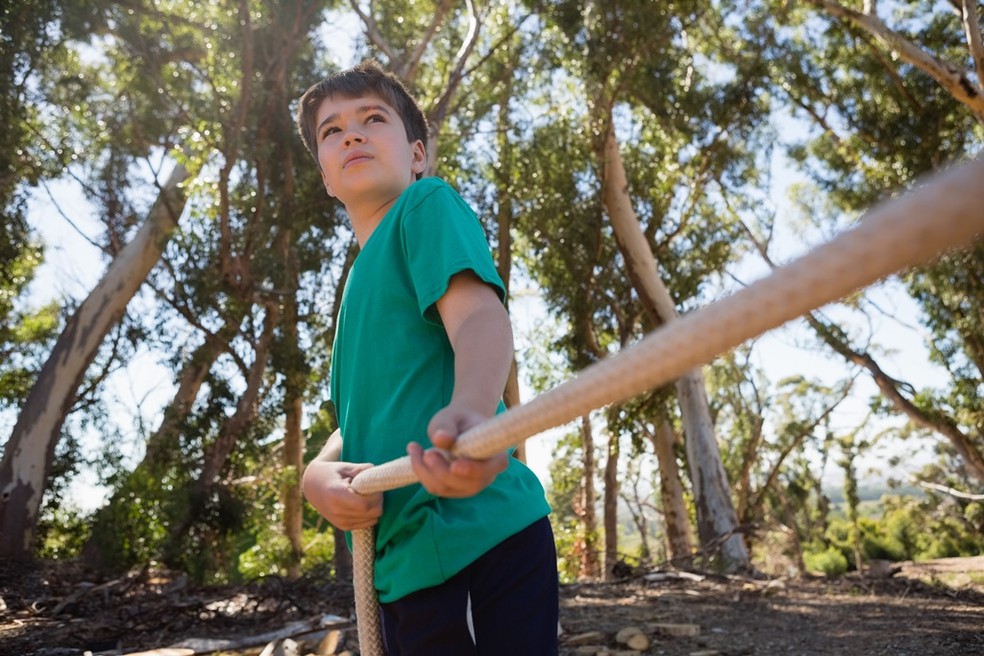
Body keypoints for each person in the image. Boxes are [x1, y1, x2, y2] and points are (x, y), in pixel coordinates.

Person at [296, 60, 558, 656]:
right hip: (402, 562)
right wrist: (315, 474)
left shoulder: (424, 207)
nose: (352, 134)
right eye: (331, 131)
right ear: (326, 178)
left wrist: (473, 414)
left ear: (417, 155)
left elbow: (480, 318)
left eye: (372, 118)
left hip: (474, 530)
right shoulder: (353, 295)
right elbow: (354, 423)